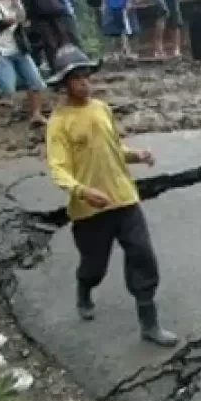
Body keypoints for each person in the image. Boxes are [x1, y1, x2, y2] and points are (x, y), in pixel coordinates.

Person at [45, 44, 178, 348]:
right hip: (90, 209)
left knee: (142, 255)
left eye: (86, 75)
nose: (84, 82)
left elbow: (113, 148)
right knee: (95, 266)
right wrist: (82, 191)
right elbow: (58, 169)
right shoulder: (59, 122)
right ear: (64, 84)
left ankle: (149, 323)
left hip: (124, 198)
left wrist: (137, 155)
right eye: (76, 78)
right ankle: (84, 288)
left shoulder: (102, 108)